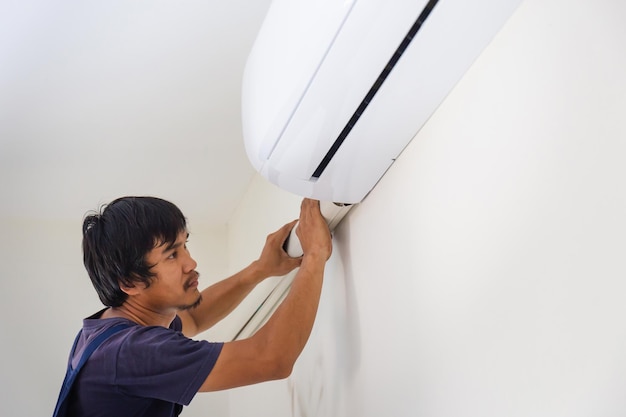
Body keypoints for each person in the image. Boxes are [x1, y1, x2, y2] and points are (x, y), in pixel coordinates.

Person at [55, 196, 332, 416]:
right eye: (172, 255)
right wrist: (315, 256)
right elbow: (271, 359)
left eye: (185, 245)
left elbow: (194, 318)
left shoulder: (112, 330)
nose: (191, 263)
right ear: (129, 282)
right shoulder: (132, 353)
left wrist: (259, 270)